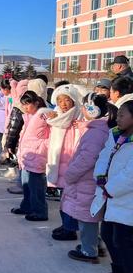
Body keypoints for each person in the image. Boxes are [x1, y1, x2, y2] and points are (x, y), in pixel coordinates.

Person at [62, 93, 117, 263]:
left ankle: (89, 250)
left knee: (87, 218)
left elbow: (87, 158)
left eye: (85, 107)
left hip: (86, 182)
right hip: (89, 181)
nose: (83, 110)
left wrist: (70, 174)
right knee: (89, 217)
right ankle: (93, 245)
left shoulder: (96, 133)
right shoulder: (99, 129)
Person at [92, 99, 133, 273]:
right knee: (108, 234)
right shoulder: (115, 135)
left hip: (126, 199)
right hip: (111, 195)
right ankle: (119, 271)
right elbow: (103, 156)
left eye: (123, 115)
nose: (118, 118)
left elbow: (130, 174)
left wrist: (111, 188)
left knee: (124, 239)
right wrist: (100, 176)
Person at [45, 84, 84, 241]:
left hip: (73, 163)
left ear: (74, 100)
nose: (64, 104)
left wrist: (81, 126)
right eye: (60, 101)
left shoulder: (80, 117)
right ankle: (66, 225)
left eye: (67, 100)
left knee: (70, 199)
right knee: (63, 199)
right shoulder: (56, 117)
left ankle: (70, 228)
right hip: (58, 162)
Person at [11, 90, 49, 221]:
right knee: (26, 185)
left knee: (36, 187)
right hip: (26, 156)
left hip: (37, 155)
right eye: (24, 104)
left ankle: (40, 211)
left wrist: (43, 147)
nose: (26, 107)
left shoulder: (43, 115)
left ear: (36, 103)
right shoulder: (28, 117)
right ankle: (27, 206)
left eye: (28, 104)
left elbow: (55, 128)